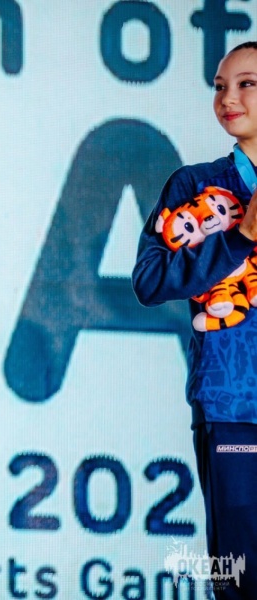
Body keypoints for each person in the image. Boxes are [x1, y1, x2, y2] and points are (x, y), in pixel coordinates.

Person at [133, 41, 257, 598]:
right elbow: (150, 280)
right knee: (240, 576)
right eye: (220, 86)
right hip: (234, 408)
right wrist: (240, 236)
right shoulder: (196, 185)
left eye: (246, 84)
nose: (228, 98)